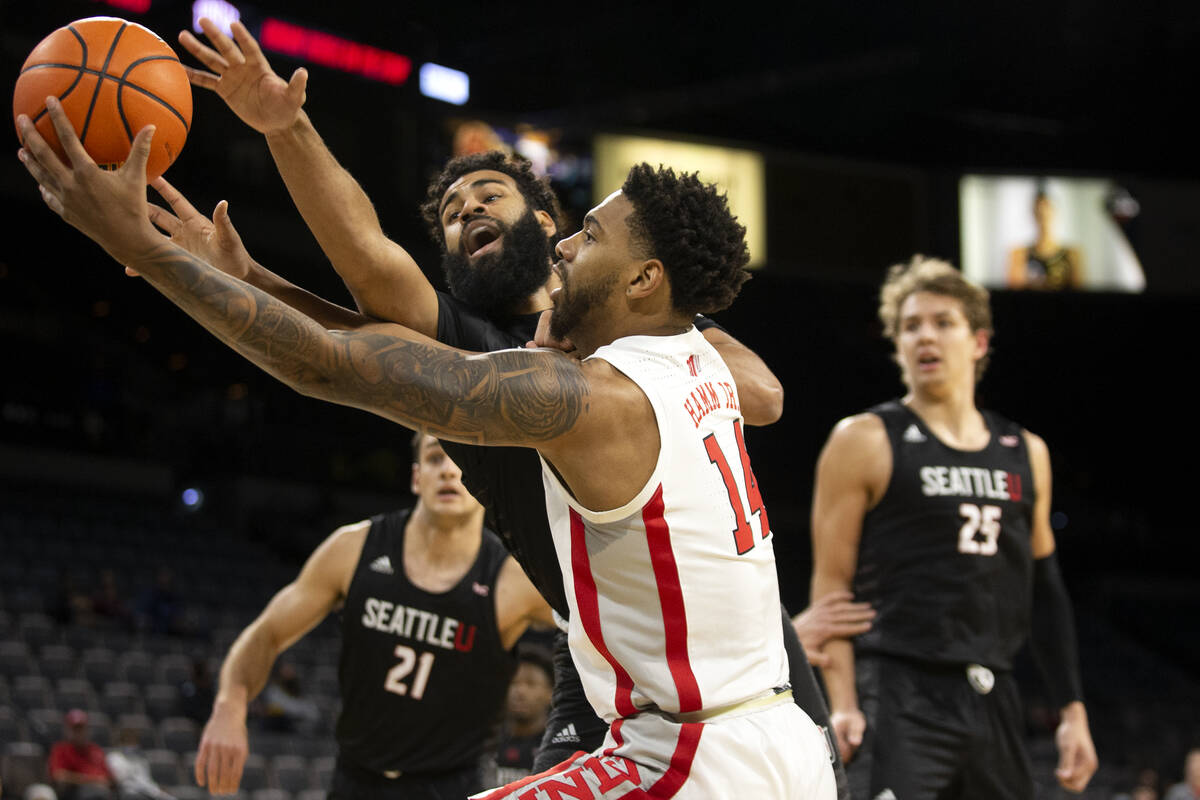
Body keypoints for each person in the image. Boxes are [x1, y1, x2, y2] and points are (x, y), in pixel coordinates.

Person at [16, 105, 836, 796]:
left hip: (697, 755)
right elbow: (371, 330)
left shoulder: (594, 399)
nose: (566, 250)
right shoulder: (697, 360)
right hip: (765, 735)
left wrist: (148, 251)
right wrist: (254, 278)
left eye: (588, 235)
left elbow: (332, 365)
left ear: (645, 280)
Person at [809, 255, 1099, 798]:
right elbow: (831, 588)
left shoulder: (1025, 451)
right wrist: (843, 702)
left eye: (943, 323)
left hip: (994, 693)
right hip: (896, 690)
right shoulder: (864, 439)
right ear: (896, 345)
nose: (926, 337)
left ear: (979, 342)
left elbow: (1046, 590)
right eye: (911, 326)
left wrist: (1072, 710)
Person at [192, 432, 553, 798]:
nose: (447, 471)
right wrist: (229, 705)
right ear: (416, 477)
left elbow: (596, 633)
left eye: (460, 460)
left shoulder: (515, 580)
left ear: (482, 477)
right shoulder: (353, 548)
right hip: (355, 778)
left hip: (452, 786)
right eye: (434, 458)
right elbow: (266, 633)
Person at [494, 644, 554, 785]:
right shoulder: (485, 741)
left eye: (531, 683)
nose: (520, 691)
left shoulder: (557, 747)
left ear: (551, 692)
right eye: (514, 682)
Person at [1006, 186, 1084, 290]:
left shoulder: (1072, 254)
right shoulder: (1019, 254)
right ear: (1033, 215)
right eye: (1038, 212)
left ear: (1054, 212)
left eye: (1047, 210)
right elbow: (1013, 292)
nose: (1043, 216)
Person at [46, 710, 113, 800]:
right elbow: (59, 775)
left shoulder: (95, 750)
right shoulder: (61, 749)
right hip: (74, 793)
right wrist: (89, 780)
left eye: (81, 728)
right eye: (75, 729)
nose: (79, 733)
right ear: (68, 730)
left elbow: (108, 778)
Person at [105, 727, 174, 800]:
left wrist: (157, 790)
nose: (131, 745)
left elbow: (147, 780)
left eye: (133, 741)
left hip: (146, 792)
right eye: (128, 741)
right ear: (121, 742)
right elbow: (119, 780)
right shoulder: (114, 757)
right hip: (126, 793)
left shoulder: (140, 759)